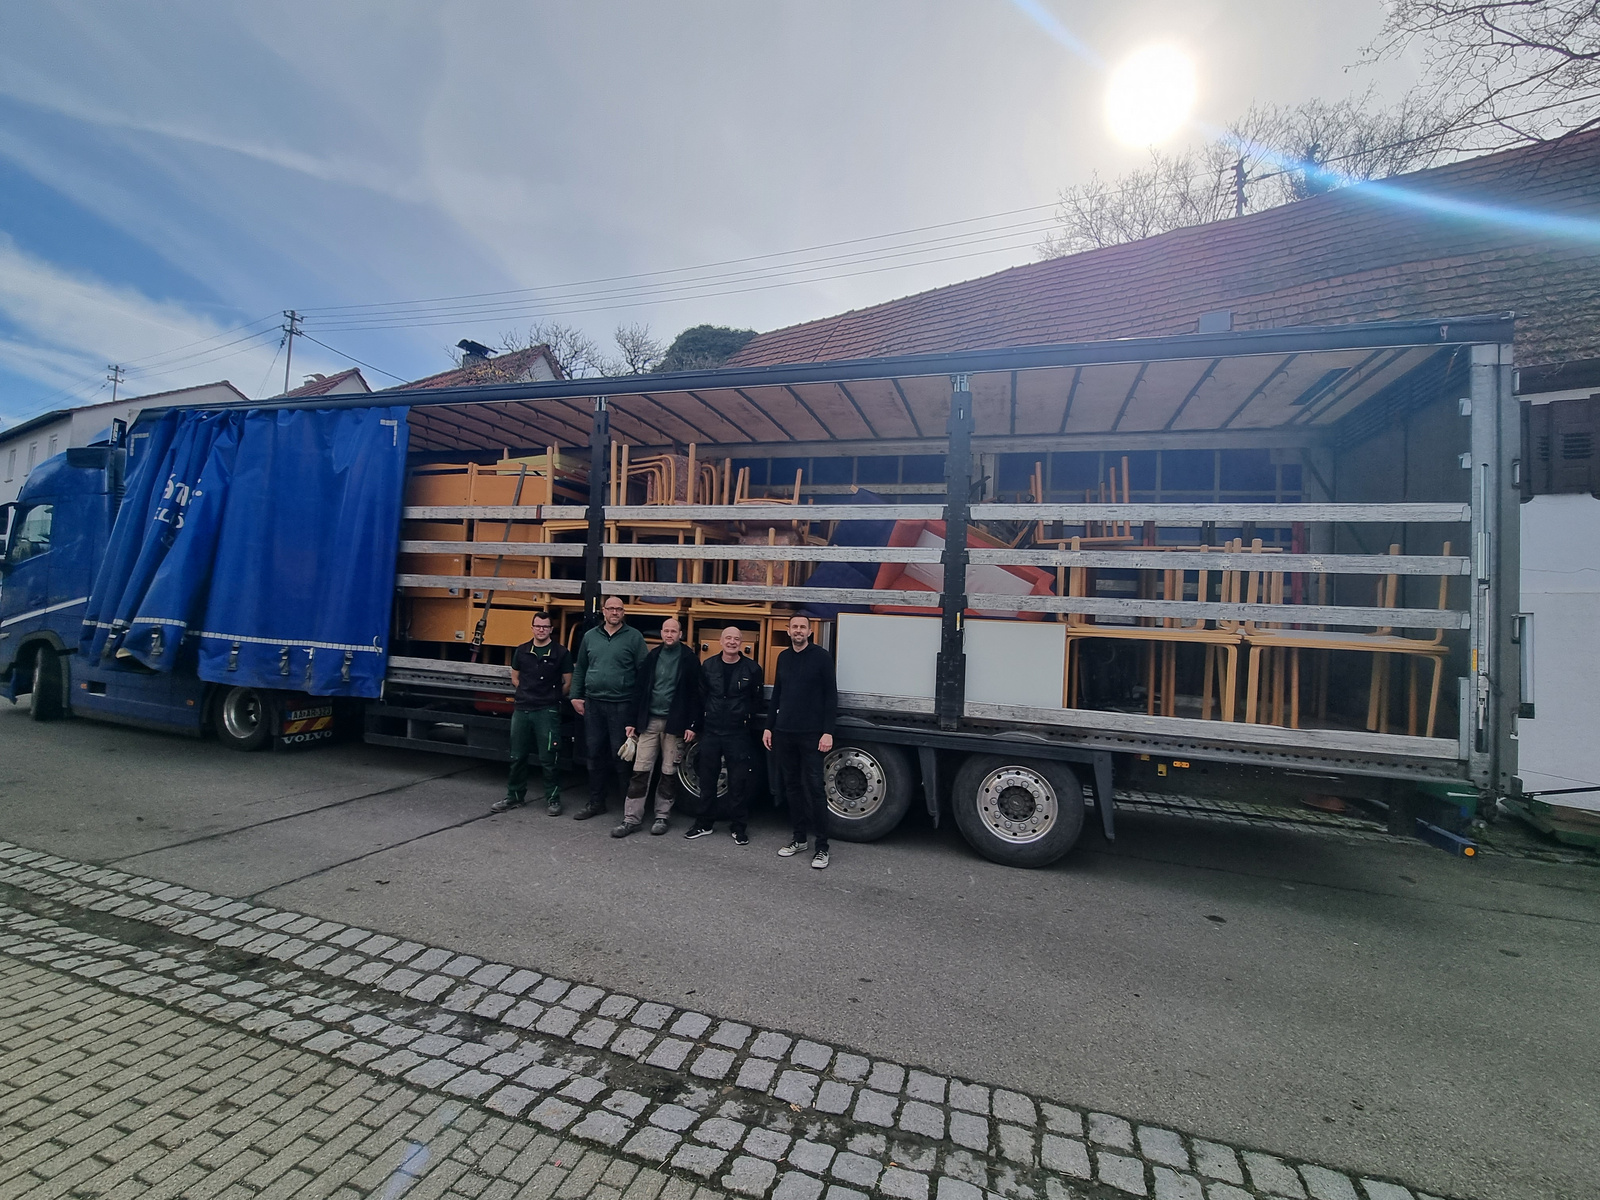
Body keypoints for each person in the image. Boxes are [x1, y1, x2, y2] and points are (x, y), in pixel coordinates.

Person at [613, 615, 700, 838]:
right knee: (640, 770)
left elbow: (695, 695)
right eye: (665, 631)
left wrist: (692, 724)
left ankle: (662, 816)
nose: (669, 635)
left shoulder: (689, 659)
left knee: (669, 772)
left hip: (675, 724)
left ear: (681, 634)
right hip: (649, 722)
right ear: (661, 633)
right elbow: (639, 690)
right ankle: (631, 819)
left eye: (673, 631)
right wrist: (632, 721)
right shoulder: (653, 656)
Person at [764, 614, 838, 869]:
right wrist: (769, 727)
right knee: (791, 787)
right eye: (794, 627)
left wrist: (828, 731)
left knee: (815, 789)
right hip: (784, 732)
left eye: (802, 627)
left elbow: (831, 695)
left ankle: (822, 847)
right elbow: (778, 694)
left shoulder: (821, 657)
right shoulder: (783, 657)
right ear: (788, 631)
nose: (798, 631)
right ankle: (799, 839)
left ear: (809, 631)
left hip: (811, 735)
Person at [570, 597, 648, 821]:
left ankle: (628, 808)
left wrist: (636, 707)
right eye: (611, 608)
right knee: (593, 754)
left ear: (624, 612)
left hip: (621, 705)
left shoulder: (634, 637)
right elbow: (581, 667)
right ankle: (596, 802)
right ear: (603, 611)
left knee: (622, 757)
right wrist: (575, 695)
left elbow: (643, 673)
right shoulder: (590, 637)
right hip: (593, 704)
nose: (615, 612)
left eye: (619, 609)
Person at [685, 626, 762, 845]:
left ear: (741, 643)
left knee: (739, 781)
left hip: (737, 733)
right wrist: (695, 724)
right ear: (720, 641)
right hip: (711, 730)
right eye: (728, 638)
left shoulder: (752, 669)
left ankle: (738, 827)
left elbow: (756, 699)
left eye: (736, 638)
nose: (732, 642)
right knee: (707, 779)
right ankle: (704, 823)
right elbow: (700, 698)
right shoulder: (708, 666)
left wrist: (744, 717)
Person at [492, 611, 573, 816]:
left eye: (545, 627)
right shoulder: (521, 651)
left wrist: (548, 698)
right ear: (532, 627)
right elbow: (515, 677)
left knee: (549, 758)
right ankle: (514, 796)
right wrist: (527, 695)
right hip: (522, 710)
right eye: (538, 626)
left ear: (551, 630)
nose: (541, 630)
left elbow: (567, 683)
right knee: (517, 756)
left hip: (547, 711)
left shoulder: (560, 653)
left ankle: (553, 799)